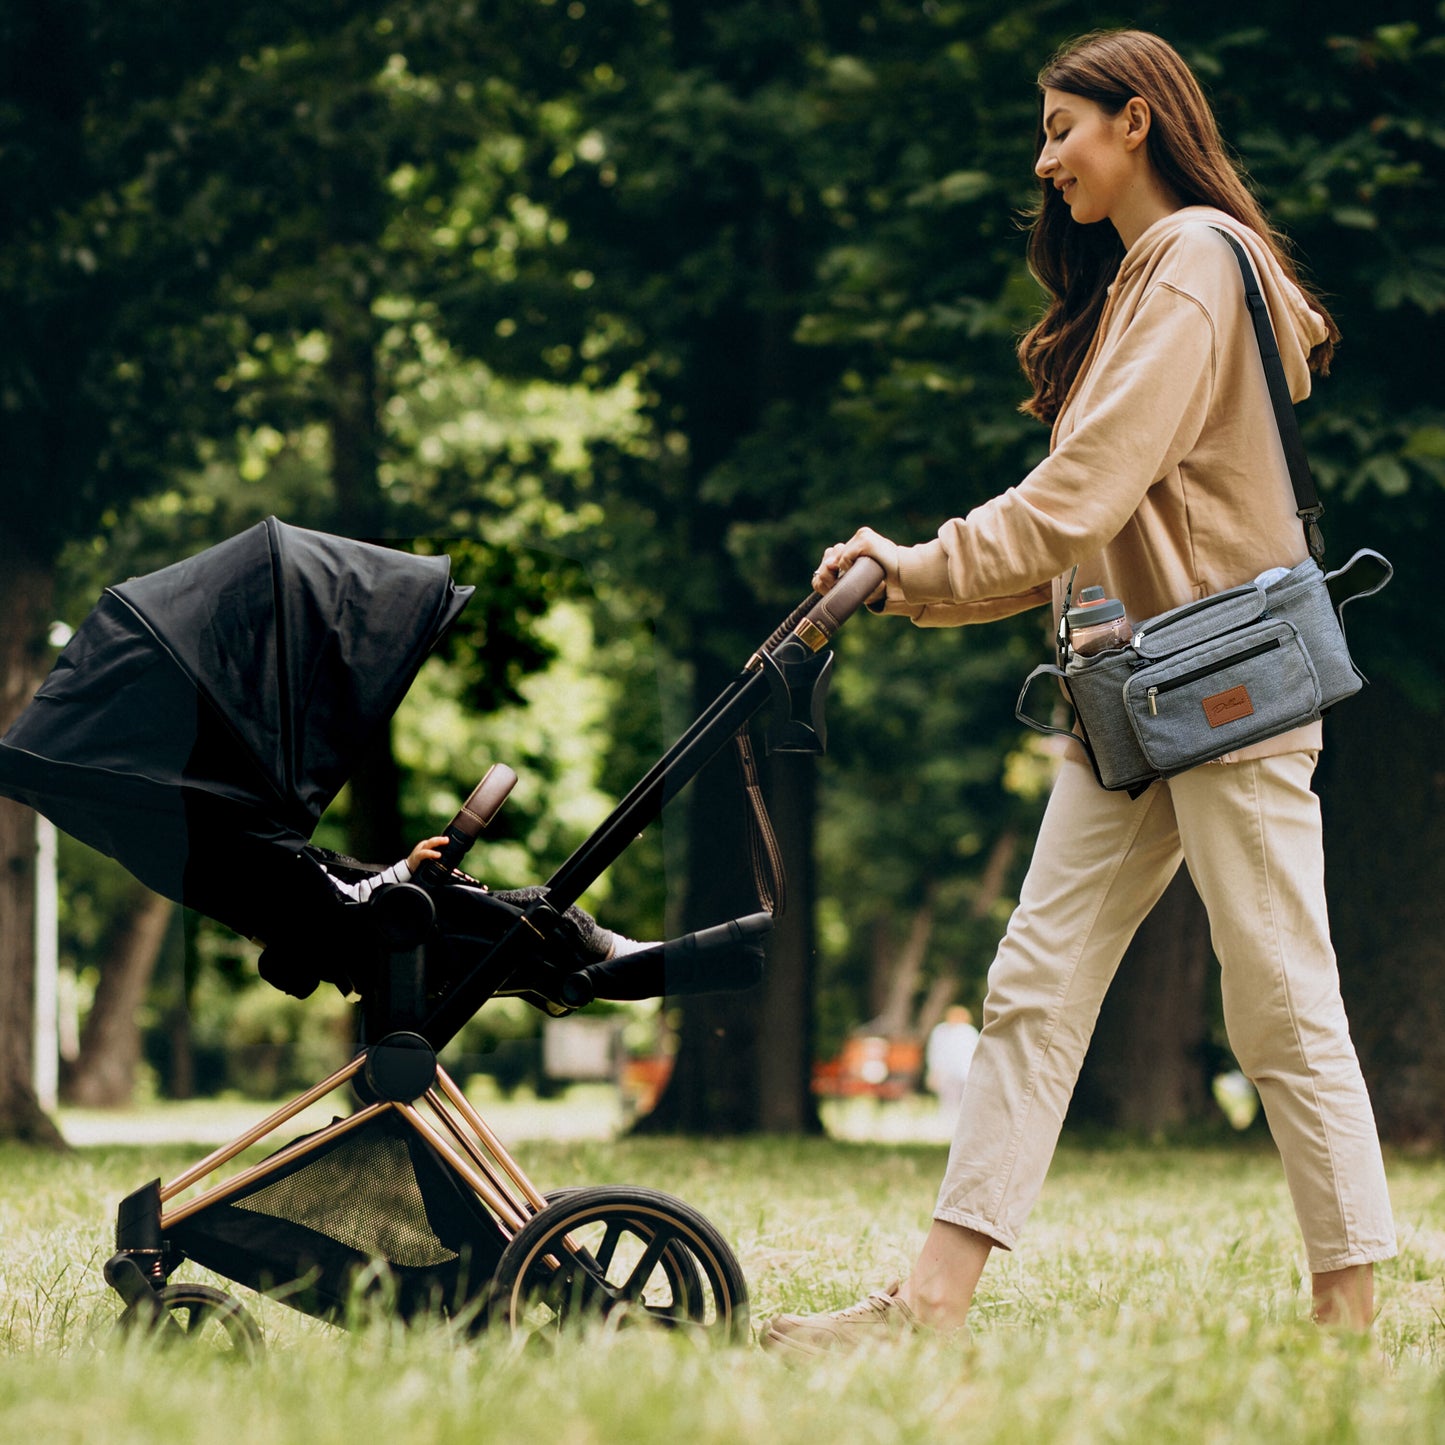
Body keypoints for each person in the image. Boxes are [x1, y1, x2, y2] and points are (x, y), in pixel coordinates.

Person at [761, 28, 1395, 1358]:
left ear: (1138, 122)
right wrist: (928, 576)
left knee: (1275, 991)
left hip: (1224, 694)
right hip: (1136, 694)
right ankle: (928, 1305)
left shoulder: (1194, 267)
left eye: (1063, 127)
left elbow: (1077, 496)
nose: (1045, 162)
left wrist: (909, 566)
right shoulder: (1152, 278)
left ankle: (1347, 1314)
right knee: (1034, 983)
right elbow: (1093, 516)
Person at [925, 1005, 980, 1123]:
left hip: (965, 1072)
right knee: (948, 1101)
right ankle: (947, 1124)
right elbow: (935, 1053)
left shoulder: (968, 1031)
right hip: (947, 1073)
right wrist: (934, 1072)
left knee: (965, 1101)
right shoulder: (940, 1031)